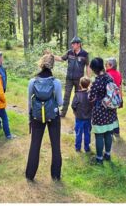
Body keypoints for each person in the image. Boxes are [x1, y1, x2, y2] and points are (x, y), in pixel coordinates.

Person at [26, 52, 63, 181]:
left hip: (36, 116)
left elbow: (29, 102)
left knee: (35, 145)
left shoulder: (33, 81)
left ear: (41, 64)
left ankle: (30, 175)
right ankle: (56, 175)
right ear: (52, 66)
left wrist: (29, 117)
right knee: (56, 145)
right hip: (53, 116)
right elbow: (60, 102)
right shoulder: (56, 82)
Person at [88, 58, 118, 164]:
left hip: (100, 110)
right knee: (108, 133)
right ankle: (108, 155)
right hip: (110, 110)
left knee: (99, 135)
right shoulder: (109, 77)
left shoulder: (97, 81)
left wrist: (89, 91)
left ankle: (99, 158)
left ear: (95, 69)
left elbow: (91, 97)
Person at [54, 36, 91, 117]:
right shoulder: (69, 52)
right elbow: (61, 58)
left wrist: (88, 79)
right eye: (72, 44)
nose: (72, 45)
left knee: (78, 97)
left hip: (79, 80)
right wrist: (52, 56)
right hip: (69, 79)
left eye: (73, 44)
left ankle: (78, 114)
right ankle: (63, 113)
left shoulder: (85, 54)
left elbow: (88, 66)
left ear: (79, 44)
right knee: (66, 95)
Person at [71, 76, 92, 152]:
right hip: (88, 118)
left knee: (78, 133)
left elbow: (73, 105)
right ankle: (87, 147)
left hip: (79, 118)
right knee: (87, 133)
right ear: (89, 84)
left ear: (80, 84)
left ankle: (78, 148)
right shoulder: (90, 95)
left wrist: (75, 112)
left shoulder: (77, 94)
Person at [105, 57, 123, 137]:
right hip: (116, 97)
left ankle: (110, 132)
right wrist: (120, 98)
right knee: (114, 114)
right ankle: (116, 131)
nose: (105, 65)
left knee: (107, 114)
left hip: (108, 97)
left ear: (111, 65)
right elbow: (119, 86)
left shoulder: (107, 74)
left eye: (107, 64)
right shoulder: (118, 73)